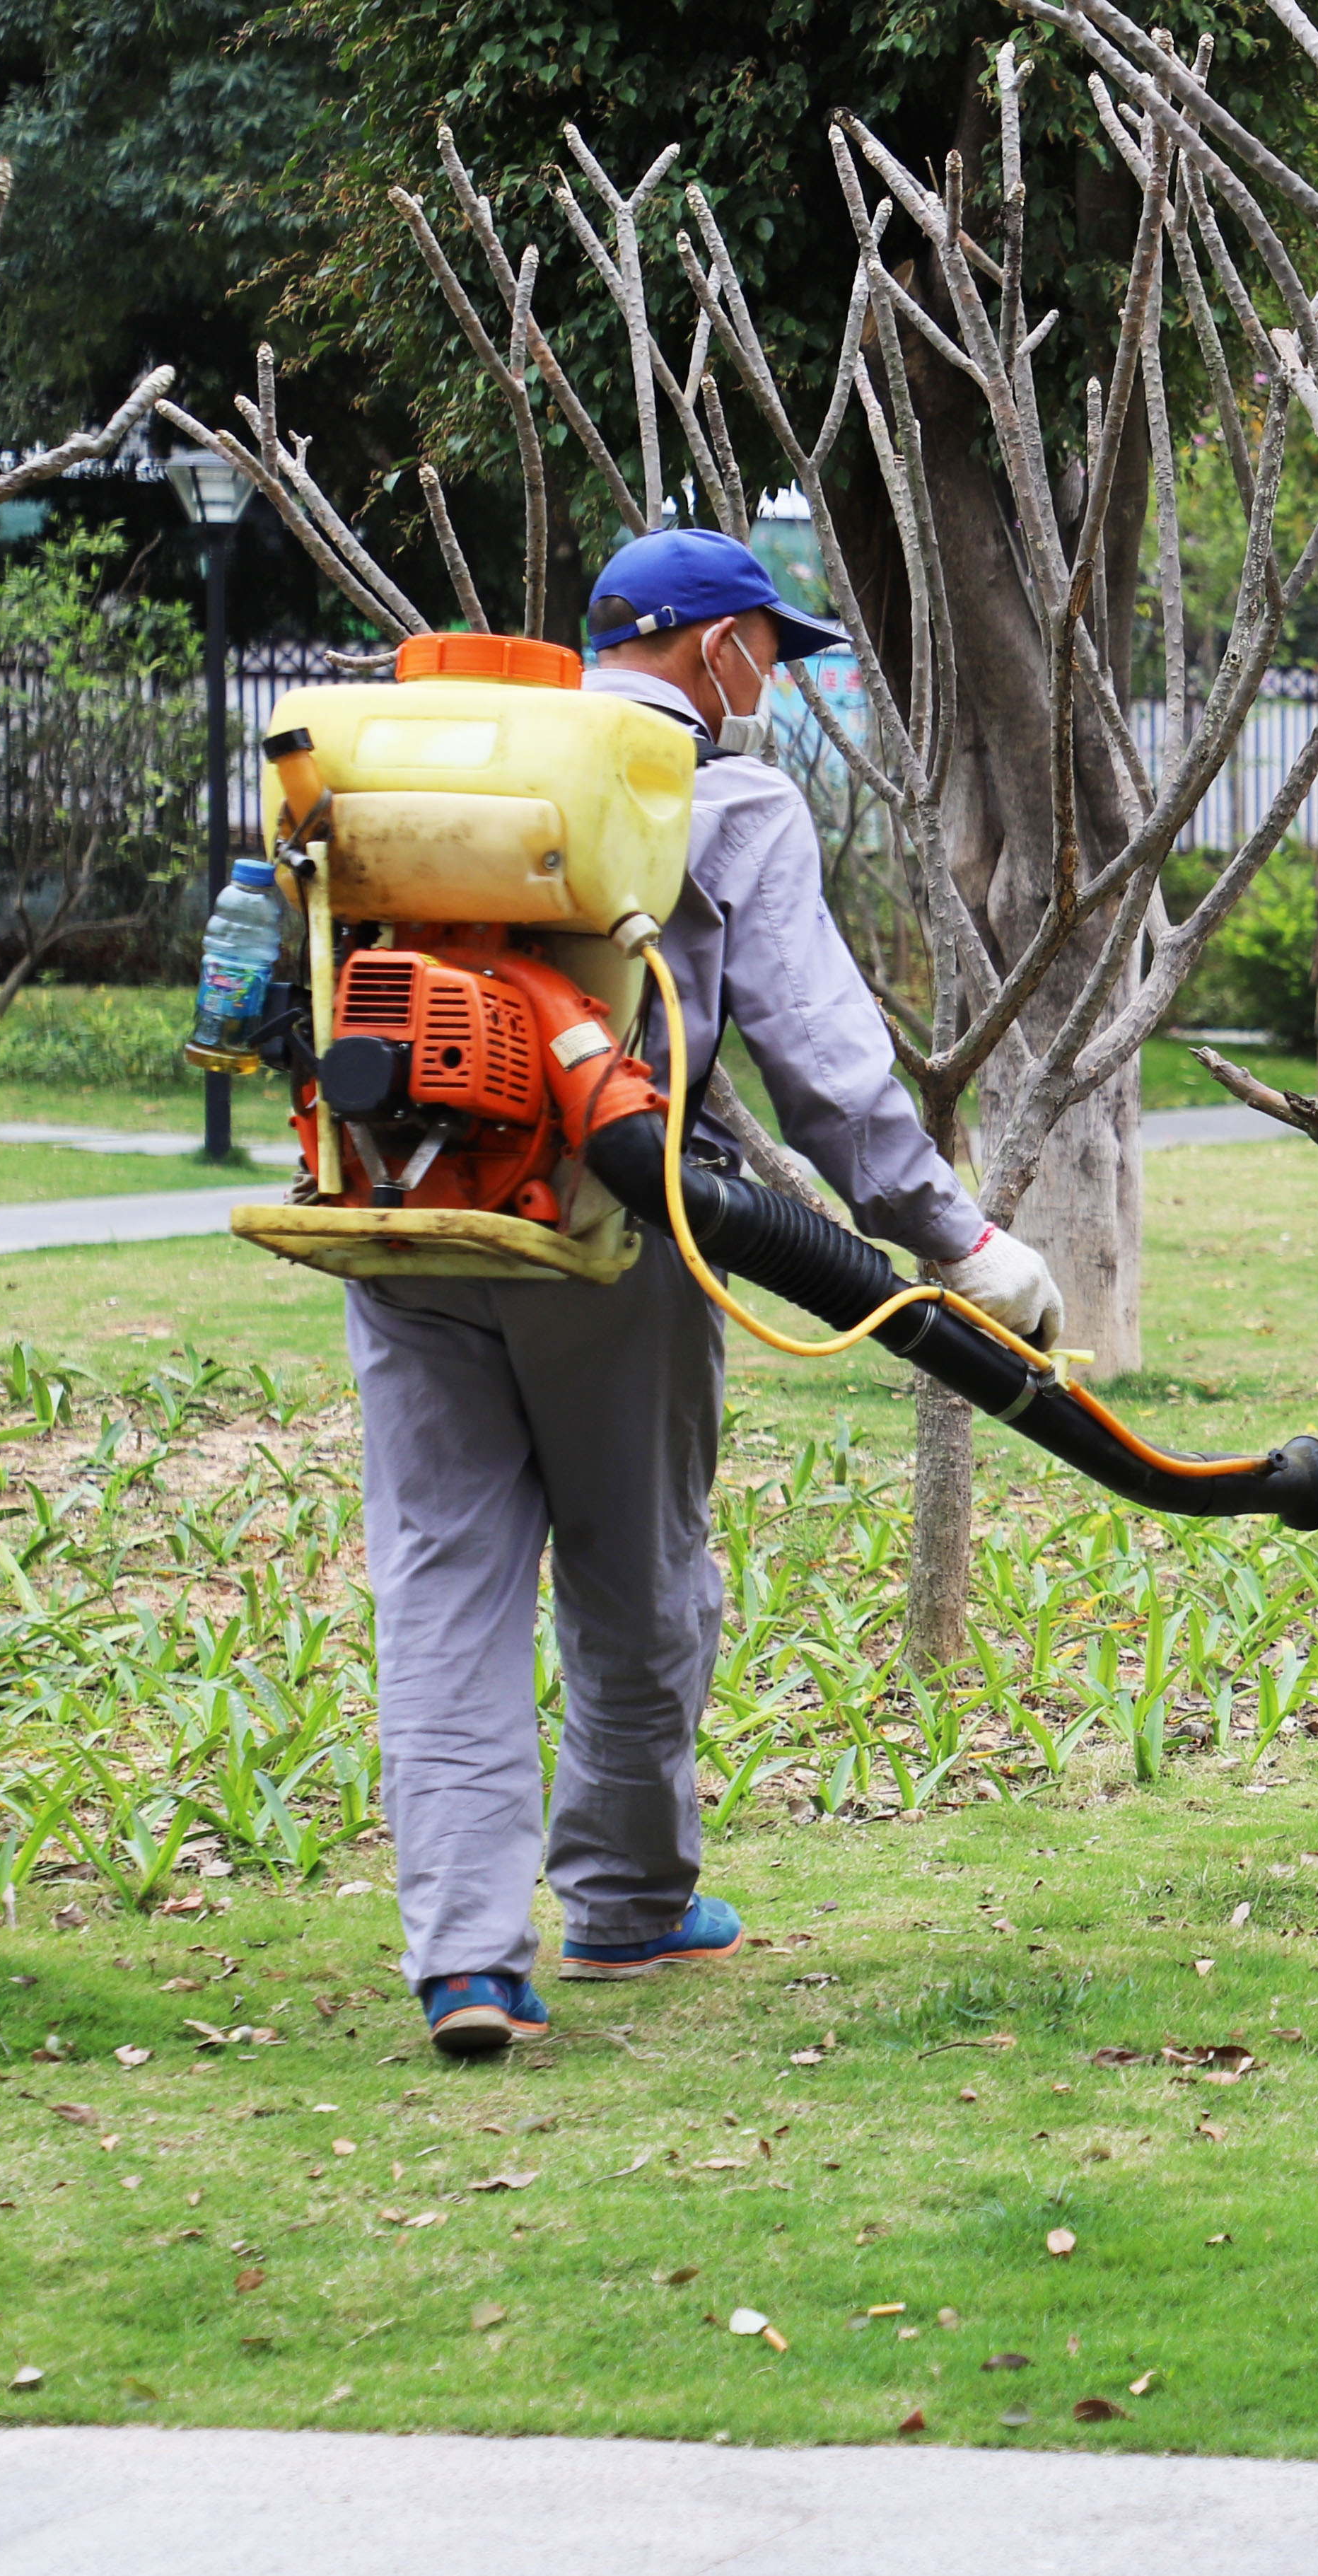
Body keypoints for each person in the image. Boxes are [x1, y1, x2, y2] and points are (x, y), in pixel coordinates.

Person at [350, 528, 1065, 2057]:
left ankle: (468, 1964)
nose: (777, 683)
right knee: (639, 1562)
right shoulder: (714, 798)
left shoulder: (438, 773)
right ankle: (621, 1895)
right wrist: (960, 1243)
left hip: (403, 1222)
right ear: (713, 644)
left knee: (442, 1587)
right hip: (612, 1235)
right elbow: (825, 1066)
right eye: (773, 652)